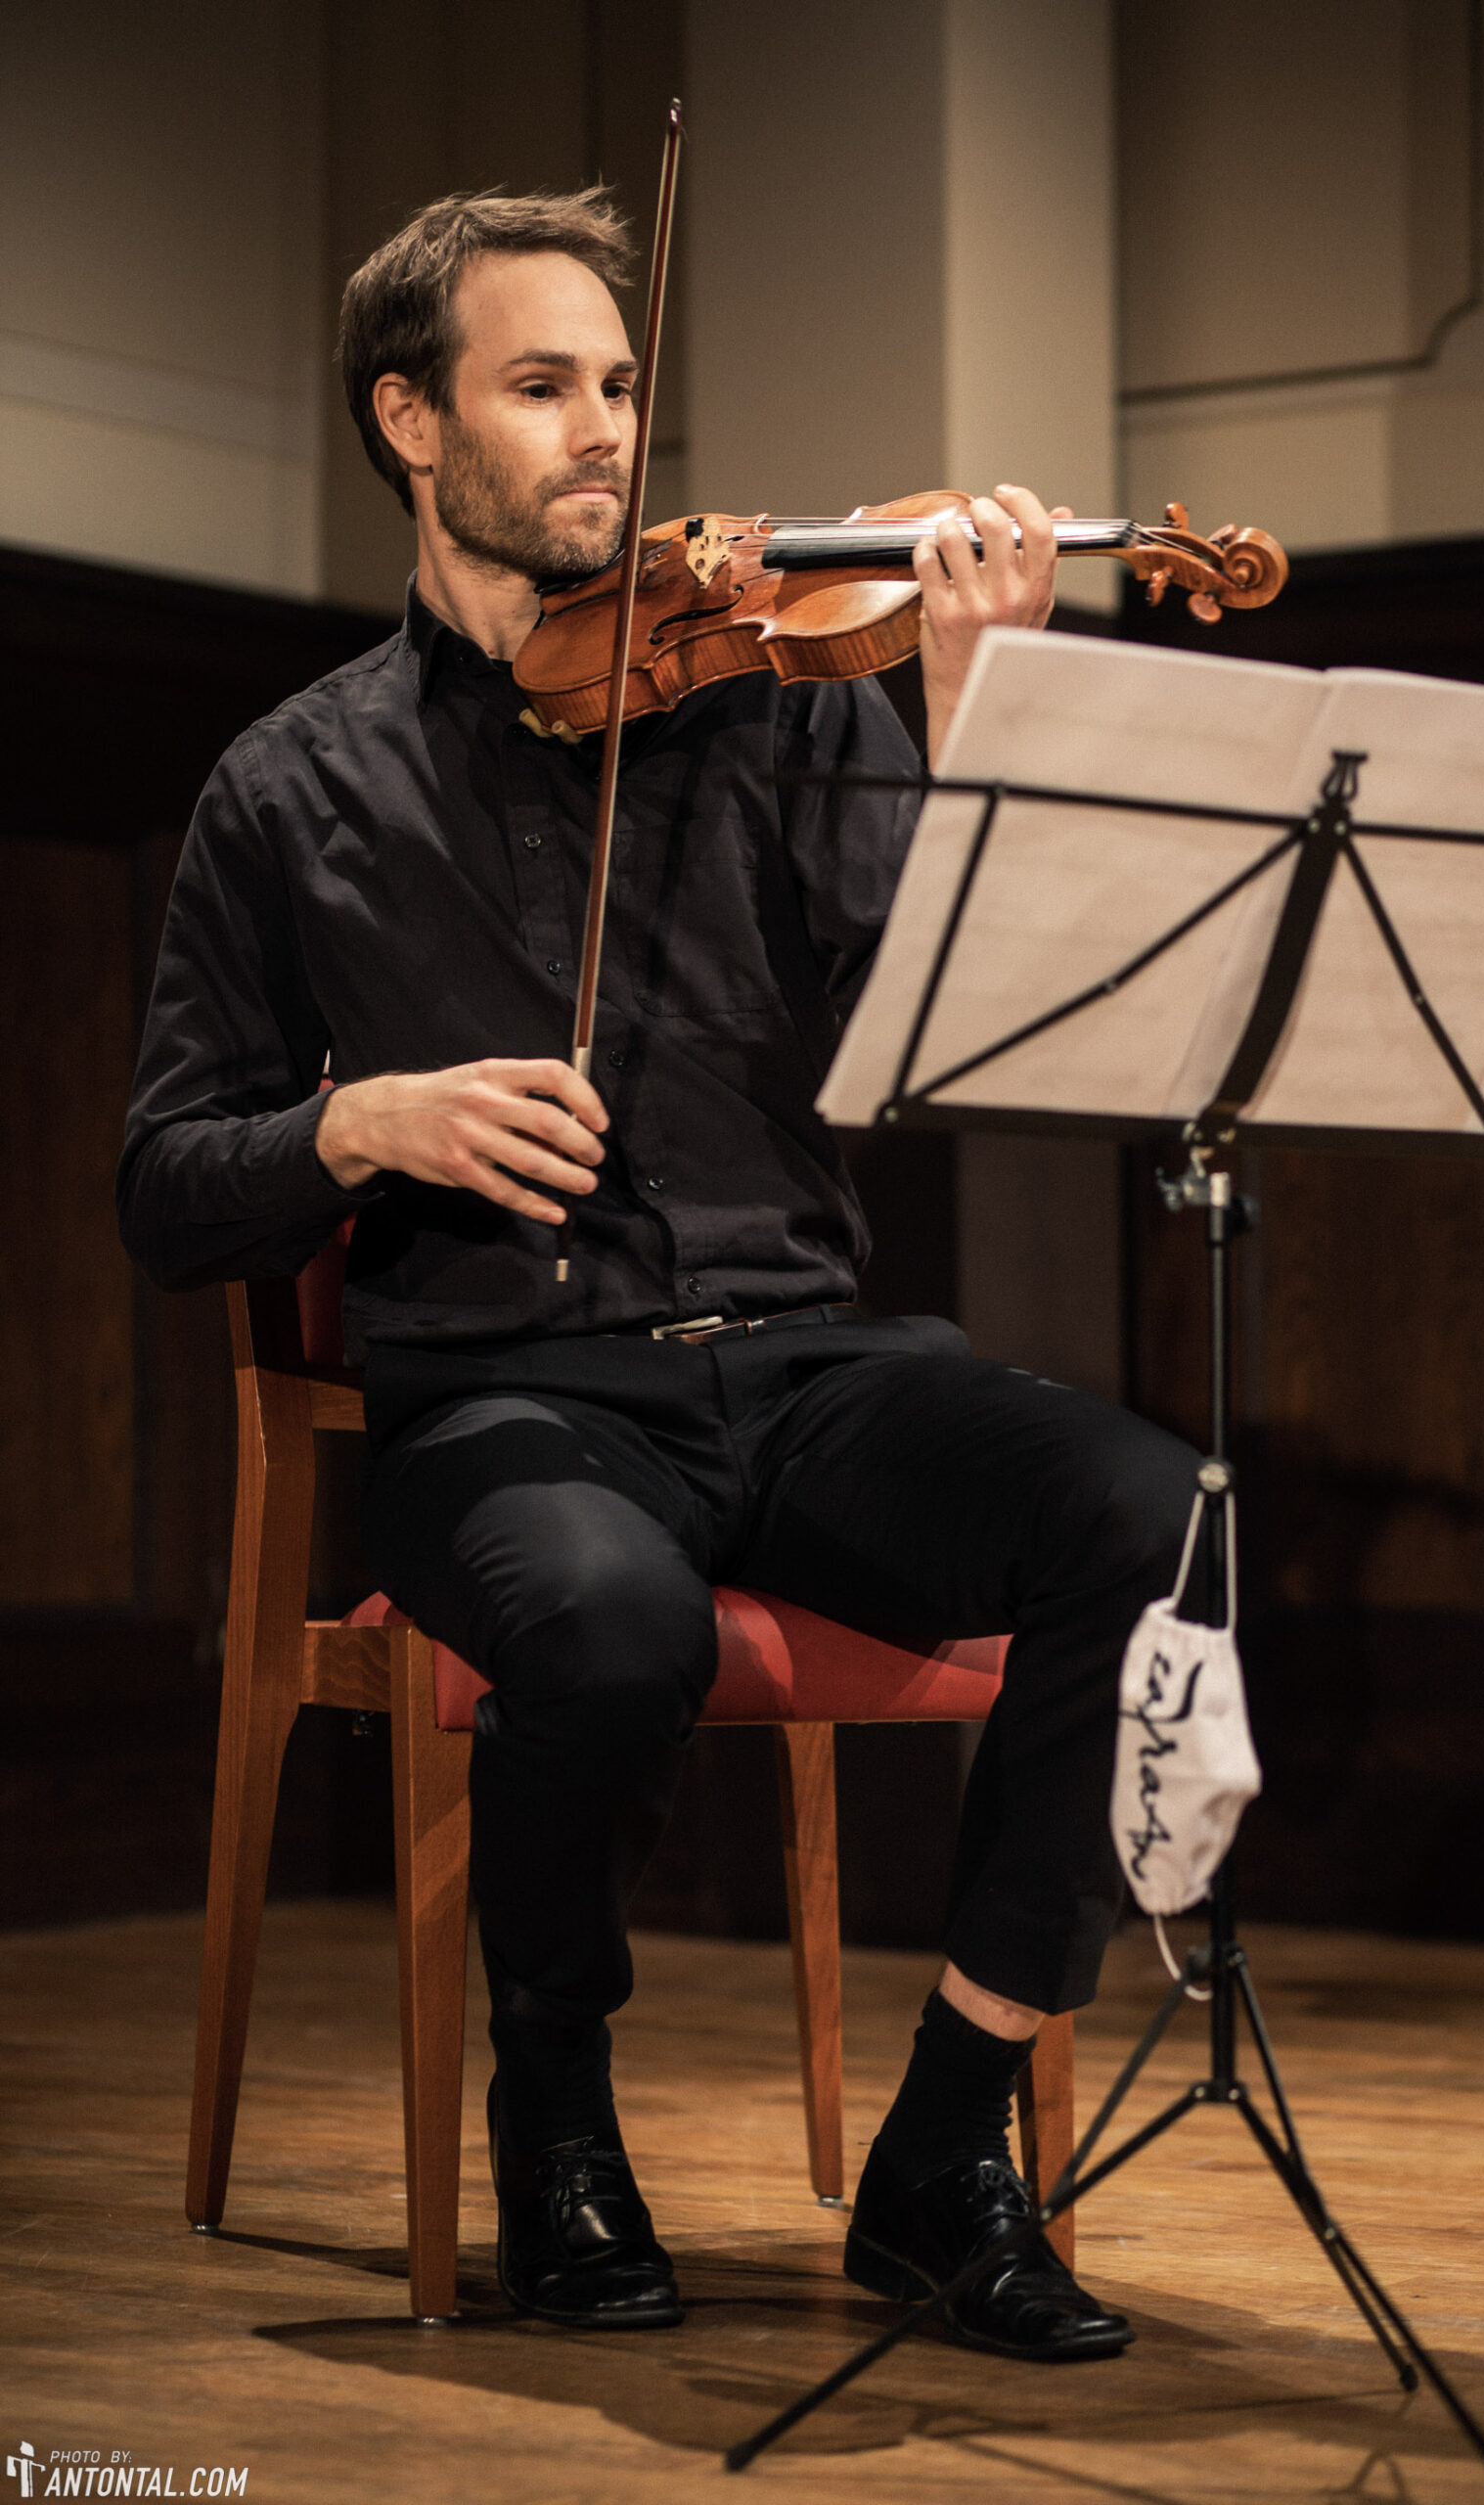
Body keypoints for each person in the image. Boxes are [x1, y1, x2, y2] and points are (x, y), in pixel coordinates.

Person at [118, 189, 1199, 2358]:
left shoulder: (777, 696)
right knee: (600, 1625)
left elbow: (949, 1035)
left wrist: (978, 708)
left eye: (621, 383)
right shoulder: (292, 784)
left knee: (1147, 1512)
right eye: (544, 385)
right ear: (411, 420)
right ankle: (560, 2116)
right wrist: (359, 1123)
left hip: (804, 1360)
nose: (609, 432)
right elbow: (162, 1181)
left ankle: (941, 2146)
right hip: (507, 1395)